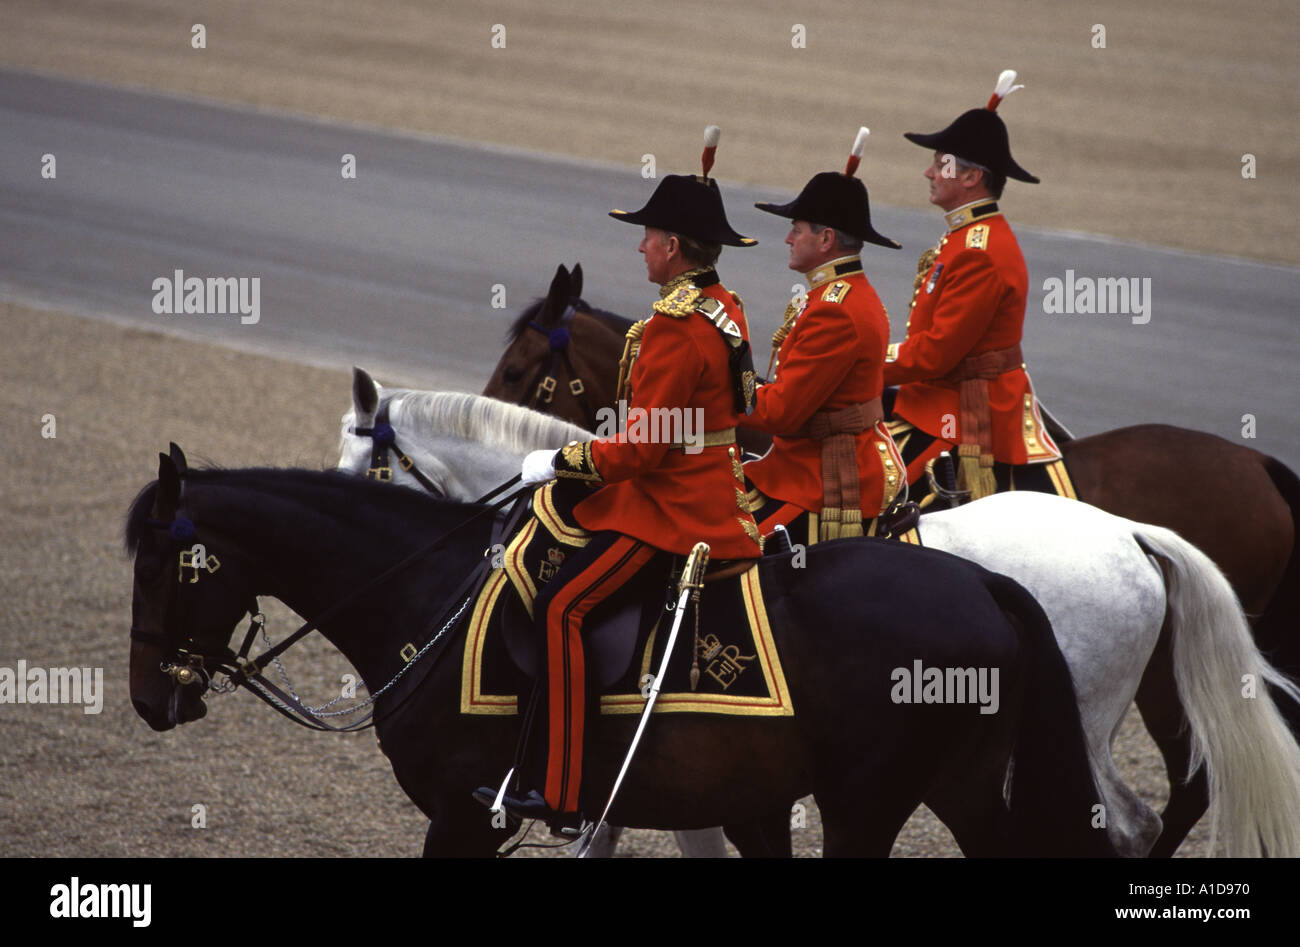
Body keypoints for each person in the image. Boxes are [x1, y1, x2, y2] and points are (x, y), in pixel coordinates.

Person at [475, 128, 762, 833]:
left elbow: (640, 453)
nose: (640, 247)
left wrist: (560, 460)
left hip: (675, 508)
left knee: (562, 607)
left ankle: (566, 789)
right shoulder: (721, 305)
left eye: (649, 235)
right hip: (712, 485)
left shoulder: (671, 328)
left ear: (672, 245)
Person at [883, 70, 1069, 503]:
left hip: (963, 411)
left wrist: (858, 363)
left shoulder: (976, 250)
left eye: (941, 163)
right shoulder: (966, 237)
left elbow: (934, 353)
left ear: (971, 178)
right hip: (938, 395)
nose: (929, 172)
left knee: (869, 493)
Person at [741, 128, 909, 546]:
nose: (787, 238)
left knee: (724, 547)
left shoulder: (835, 310)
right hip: (803, 460)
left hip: (823, 477)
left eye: (796, 229)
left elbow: (781, 414)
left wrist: (717, 390)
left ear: (826, 239)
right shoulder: (843, 295)